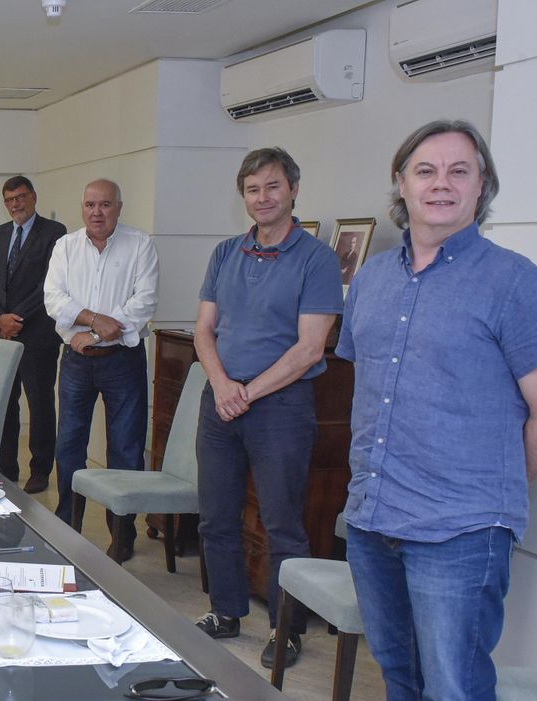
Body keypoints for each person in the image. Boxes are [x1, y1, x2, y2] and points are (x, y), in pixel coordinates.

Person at [338, 120, 537, 701]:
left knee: (455, 689)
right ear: (401, 183)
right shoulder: (369, 280)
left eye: (458, 171)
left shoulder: (517, 284)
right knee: (400, 679)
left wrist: (491, 494)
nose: (440, 184)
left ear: (481, 186)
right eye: (426, 170)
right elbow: (365, 388)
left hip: (461, 534)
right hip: (373, 522)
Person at [191, 148, 343, 669]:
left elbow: (309, 348)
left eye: (273, 187)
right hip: (220, 401)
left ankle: (286, 629)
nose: (263, 198)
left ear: (293, 190)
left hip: (279, 406)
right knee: (216, 516)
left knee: (283, 524)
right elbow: (204, 329)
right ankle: (226, 610)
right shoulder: (226, 252)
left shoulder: (317, 259)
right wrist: (221, 382)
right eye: (253, 189)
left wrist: (247, 393)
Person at [43, 179, 159, 552]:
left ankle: (122, 536)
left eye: (105, 205)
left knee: (125, 449)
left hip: (122, 360)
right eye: (90, 205)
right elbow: (53, 299)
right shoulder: (65, 246)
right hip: (76, 361)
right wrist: (94, 321)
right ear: (82, 208)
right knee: (69, 444)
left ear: (119, 208)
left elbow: (144, 303)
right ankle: (67, 524)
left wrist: (94, 334)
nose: (97, 212)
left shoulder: (140, 245)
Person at [0, 175, 67, 493]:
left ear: (33, 197)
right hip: (1, 333)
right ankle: (3, 467)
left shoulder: (55, 234)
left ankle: (40, 470)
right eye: (10, 199)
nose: (16, 204)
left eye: (21, 197)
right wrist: (0, 318)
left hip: (38, 334)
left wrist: (17, 318)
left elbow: (50, 285)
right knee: (2, 402)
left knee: (39, 402)